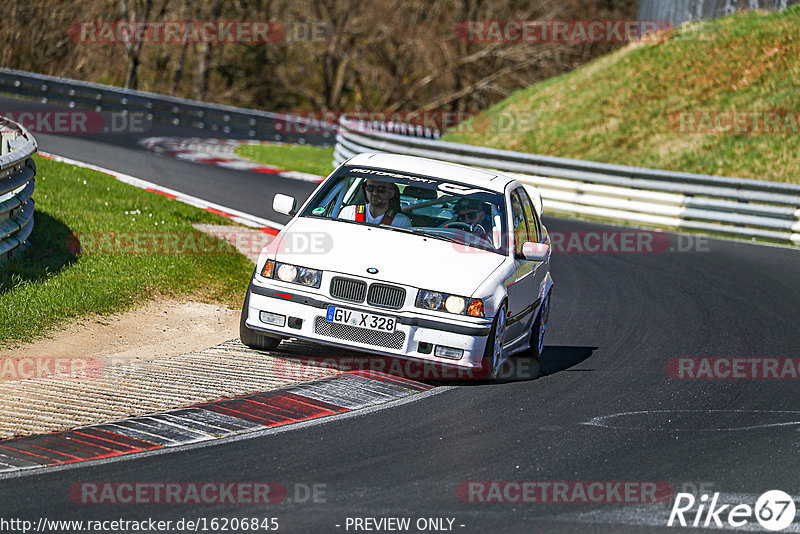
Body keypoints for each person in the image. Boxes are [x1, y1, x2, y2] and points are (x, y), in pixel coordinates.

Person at [339, 179, 412, 228]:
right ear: (365, 190)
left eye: (381, 189)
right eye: (370, 188)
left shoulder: (401, 222)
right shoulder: (349, 213)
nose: (374, 193)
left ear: (391, 193)